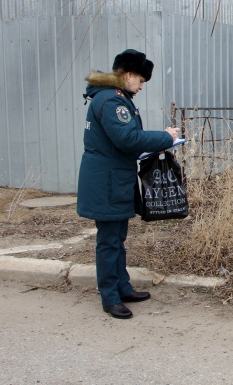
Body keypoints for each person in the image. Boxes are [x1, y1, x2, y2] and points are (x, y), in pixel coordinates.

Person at [76, 49, 179, 319]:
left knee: (117, 238)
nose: (142, 87)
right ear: (129, 75)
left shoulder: (112, 97)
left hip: (112, 177)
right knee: (109, 240)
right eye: (141, 81)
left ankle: (122, 286)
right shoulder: (112, 101)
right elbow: (129, 140)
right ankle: (110, 296)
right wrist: (165, 138)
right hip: (107, 180)